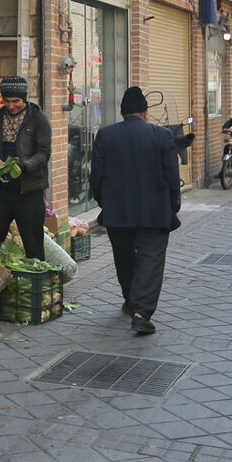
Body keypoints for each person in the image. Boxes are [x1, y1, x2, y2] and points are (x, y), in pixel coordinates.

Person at [90, 87, 181, 335]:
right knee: (151, 259)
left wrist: (104, 202)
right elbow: (172, 175)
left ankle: (131, 301)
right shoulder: (162, 135)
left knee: (124, 258)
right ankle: (142, 312)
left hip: (118, 211)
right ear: (145, 112)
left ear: (122, 113)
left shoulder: (105, 135)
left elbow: (96, 177)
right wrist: (174, 204)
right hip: (154, 210)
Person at [0, 75, 51, 261]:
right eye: (7, 101)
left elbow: (44, 152)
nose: (11, 105)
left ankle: (37, 285)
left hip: (29, 191)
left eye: (16, 101)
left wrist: (25, 166)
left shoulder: (37, 118)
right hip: (0, 192)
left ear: (24, 99)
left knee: (33, 245)